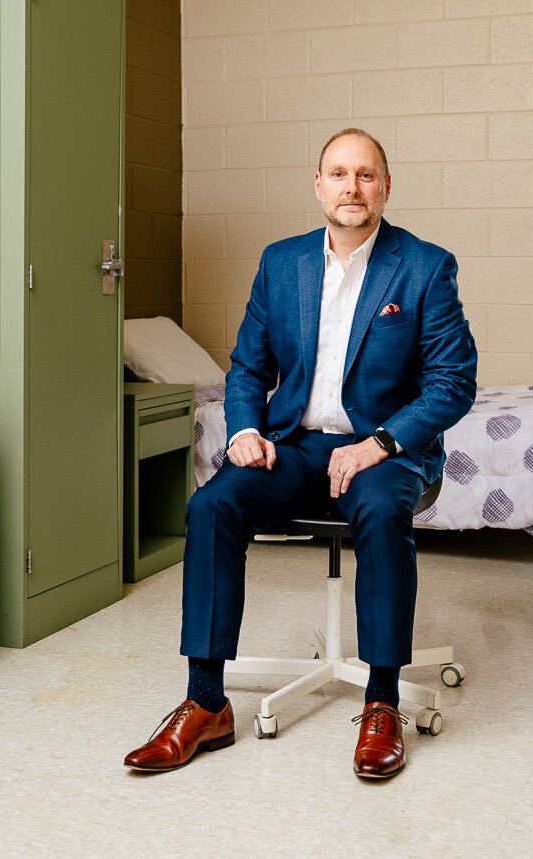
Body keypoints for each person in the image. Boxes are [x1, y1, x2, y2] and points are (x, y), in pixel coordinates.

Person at [124, 128, 477, 780]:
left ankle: (380, 702)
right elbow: (246, 368)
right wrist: (244, 431)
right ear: (318, 186)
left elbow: (454, 383)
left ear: (385, 187)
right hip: (295, 444)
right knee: (211, 506)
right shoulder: (280, 262)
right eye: (339, 174)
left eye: (366, 174)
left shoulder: (426, 266)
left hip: (386, 449)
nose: (352, 187)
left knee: (378, 508)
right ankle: (206, 702)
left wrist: (379, 443)